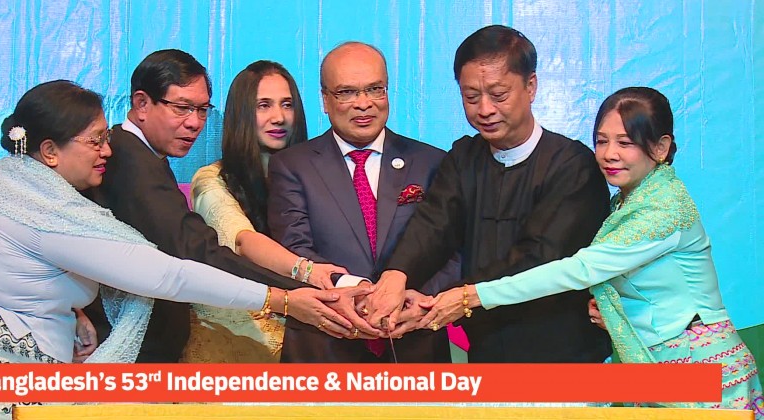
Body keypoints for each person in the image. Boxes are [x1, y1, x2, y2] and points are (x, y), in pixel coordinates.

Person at [0, 80, 352, 419]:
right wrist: (280, 299)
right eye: (95, 141)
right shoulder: (41, 206)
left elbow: (14, 272)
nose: (107, 150)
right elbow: (168, 274)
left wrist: (71, 315)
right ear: (50, 151)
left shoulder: (6, 183)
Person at [418, 87, 763, 416]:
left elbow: (579, 270)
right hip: (657, 364)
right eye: (601, 140)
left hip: (699, 365)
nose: (609, 153)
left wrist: (473, 296)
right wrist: (612, 309)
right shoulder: (627, 202)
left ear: (661, 147)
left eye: (625, 142)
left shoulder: (662, 209)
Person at [84, 49, 362, 363]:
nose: (194, 123)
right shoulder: (131, 160)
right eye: (182, 108)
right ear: (142, 103)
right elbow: (198, 249)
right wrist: (294, 291)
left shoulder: (145, 156)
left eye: (202, 110)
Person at [367, 25, 612, 363]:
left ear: (531, 86)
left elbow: (539, 258)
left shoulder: (572, 166)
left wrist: (454, 298)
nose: (484, 109)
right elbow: (433, 225)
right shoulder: (464, 157)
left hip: (561, 353)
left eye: (498, 95)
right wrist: (397, 275)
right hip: (485, 350)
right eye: (471, 97)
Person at [267, 42, 460, 363]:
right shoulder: (292, 166)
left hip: (414, 341)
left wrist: (421, 299)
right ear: (325, 100)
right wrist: (358, 293)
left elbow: (453, 249)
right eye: (347, 92)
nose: (363, 103)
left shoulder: (431, 161)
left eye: (374, 89)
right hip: (326, 344)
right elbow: (294, 247)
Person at [185, 60, 352, 362]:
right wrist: (309, 272)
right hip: (236, 343)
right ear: (241, 114)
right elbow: (242, 240)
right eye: (263, 106)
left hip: (312, 335)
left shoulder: (318, 177)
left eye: (287, 105)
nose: (279, 117)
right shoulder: (212, 179)